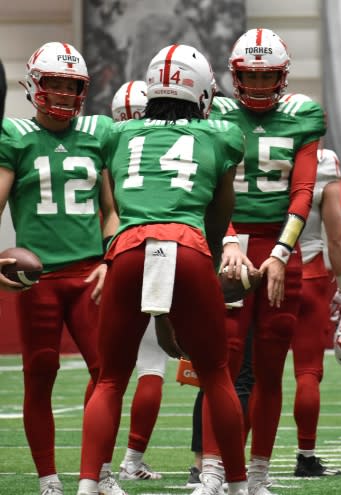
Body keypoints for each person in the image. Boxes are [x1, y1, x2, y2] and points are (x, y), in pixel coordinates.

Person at [75, 44, 248, 495]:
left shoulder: (117, 134)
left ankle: (88, 484)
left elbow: (109, 200)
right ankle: (237, 484)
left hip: (129, 248)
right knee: (215, 372)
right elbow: (219, 210)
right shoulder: (222, 135)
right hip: (188, 244)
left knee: (110, 377)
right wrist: (203, 262)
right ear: (202, 91)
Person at [195, 28, 325, 495]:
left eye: (268, 76)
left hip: (278, 250)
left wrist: (280, 253)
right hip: (226, 243)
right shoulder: (216, 113)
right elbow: (206, 187)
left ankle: (257, 477)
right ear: (234, 76)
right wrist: (227, 240)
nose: (258, 85)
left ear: (283, 76)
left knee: (270, 368)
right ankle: (213, 471)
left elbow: (303, 191)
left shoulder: (302, 114)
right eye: (250, 76)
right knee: (221, 363)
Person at [0, 42, 120, 495]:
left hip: (90, 272)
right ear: (35, 85)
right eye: (55, 84)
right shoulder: (15, 136)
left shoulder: (96, 134)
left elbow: (110, 210)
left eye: (73, 86)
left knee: (106, 373)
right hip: (38, 279)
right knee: (40, 374)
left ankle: (99, 472)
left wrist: (111, 257)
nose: (65, 94)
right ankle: (49, 479)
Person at [108, 79, 167, 482]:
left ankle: (96, 468)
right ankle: (131, 460)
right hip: (162, 251)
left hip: (115, 256)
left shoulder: (110, 147)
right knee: (152, 364)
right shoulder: (166, 145)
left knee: (107, 374)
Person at [291, 146, 341, 477]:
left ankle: (230, 463)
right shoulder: (322, 160)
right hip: (308, 271)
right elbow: (336, 237)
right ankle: (306, 456)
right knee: (308, 371)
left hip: (257, 264)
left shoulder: (250, 149)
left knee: (250, 375)